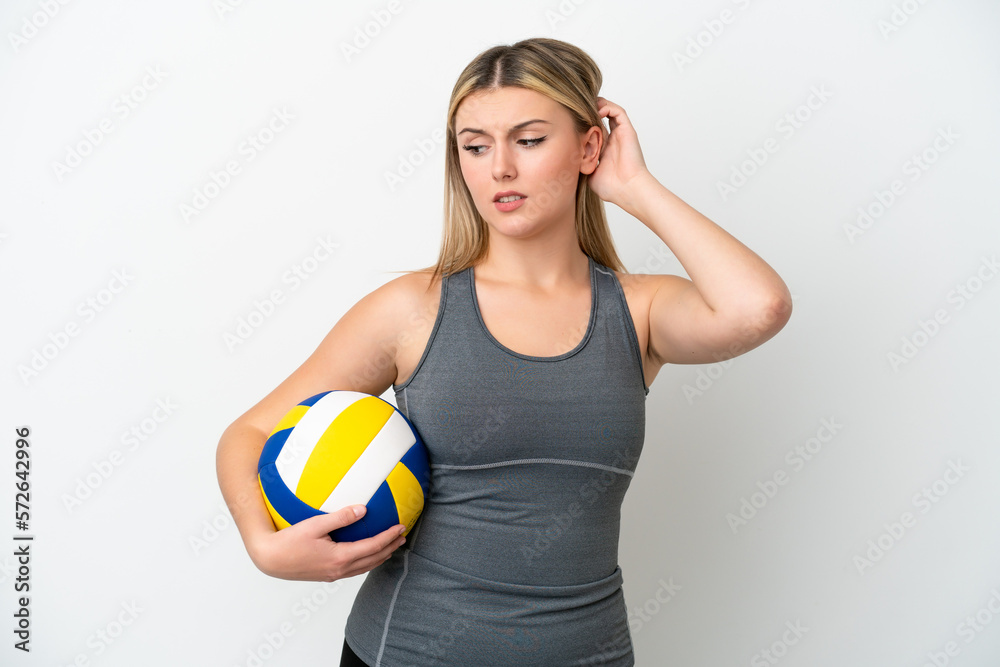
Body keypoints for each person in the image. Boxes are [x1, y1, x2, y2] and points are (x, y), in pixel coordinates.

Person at [216, 36, 792, 666]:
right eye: (476, 145)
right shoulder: (413, 307)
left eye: (530, 139)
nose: (500, 169)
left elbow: (756, 308)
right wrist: (263, 546)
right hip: (408, 653)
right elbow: (248, 433)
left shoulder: (639, 311)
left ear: (588, 146)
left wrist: (633, 186)